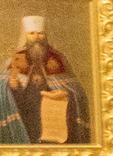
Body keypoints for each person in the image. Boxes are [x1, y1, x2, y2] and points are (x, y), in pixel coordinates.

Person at [7, 15, 89, 144]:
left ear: (45, 35)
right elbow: (4, 91)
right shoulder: (16, 59)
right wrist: (12, 86)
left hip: (53, 116)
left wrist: (65, 93)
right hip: (26, 114)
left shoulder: (57, 59)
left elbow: (77, 91)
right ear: (26, 35)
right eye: (32, 33)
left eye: (40, 33)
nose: (36, 37)